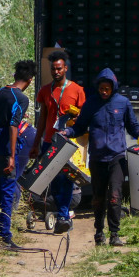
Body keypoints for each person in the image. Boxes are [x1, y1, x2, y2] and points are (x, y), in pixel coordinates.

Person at [60, 68, 139, 247]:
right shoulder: (91, 104)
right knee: (98, 197)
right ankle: (99, 232)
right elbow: (80, 127)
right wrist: (67, 131)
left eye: (107, 88)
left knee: (114, 195)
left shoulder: (123, 103)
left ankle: (114, 234)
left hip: (117, 157)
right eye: (101, 89)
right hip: (97, 158)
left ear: (113, 87)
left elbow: (133, 127)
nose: (104, 92)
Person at [0, 59, 36, 248]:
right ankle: (4, 238)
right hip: (5, 150)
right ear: (29, 79)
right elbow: (14, 125)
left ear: (15, 75)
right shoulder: (21, 98)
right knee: (7, 194)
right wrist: (12, 156)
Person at [31, 49, 86, 234]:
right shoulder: (45, 91)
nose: (56, 72)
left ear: (65, 69)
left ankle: (63, 215)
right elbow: (42, 119)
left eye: (59, 69)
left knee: (67, 178)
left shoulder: (77, 90)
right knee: (52, 179)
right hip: (49, 141)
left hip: (68, 142)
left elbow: (84, 118)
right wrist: (35, 143)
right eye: (53, 69)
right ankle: (61, 213)